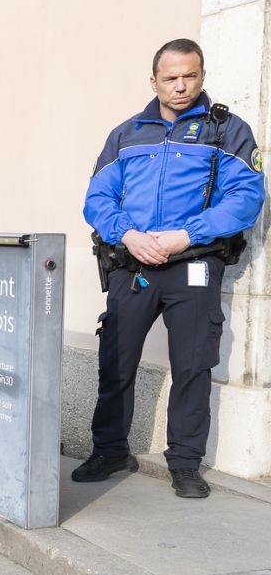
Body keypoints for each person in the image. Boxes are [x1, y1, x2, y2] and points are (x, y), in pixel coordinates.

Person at [80, 39, 264, 498]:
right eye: (171, 78)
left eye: (190, 76)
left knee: (192, 366)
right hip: (132, 265)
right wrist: (128, 234)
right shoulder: (127, 134)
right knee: (116, 361)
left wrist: (188, 234)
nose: (181, 86)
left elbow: (246, 197)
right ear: (154, 81)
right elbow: (98, 198)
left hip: (193, 264)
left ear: (201, 76)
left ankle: (184, 463)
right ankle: (110, 450)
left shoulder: (226, 131)